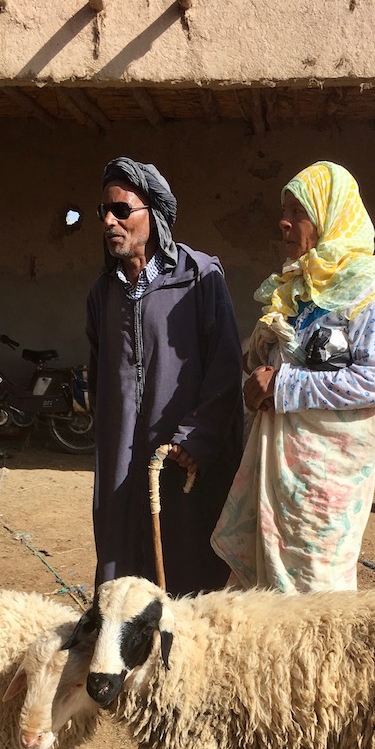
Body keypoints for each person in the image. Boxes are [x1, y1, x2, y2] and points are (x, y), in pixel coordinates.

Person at [211, 160, 375, 594]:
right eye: (285, 210)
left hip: (323, 485)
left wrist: (282, 385)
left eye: (298, 212)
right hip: (277, 474)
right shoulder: (297, 286)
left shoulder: (368, 291)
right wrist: (256, 364)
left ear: (330, 215)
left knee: (317, 596)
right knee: (263, 594)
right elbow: (277, 358)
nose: (284, 222)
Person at [86, 157, 243, 597]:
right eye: (104, 212)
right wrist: (113, 435)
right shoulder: (103, 293)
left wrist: (197, 437)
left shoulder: (199, 277)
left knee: (186, 562)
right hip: (122, 455)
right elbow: (100, 377)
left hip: (184, 451)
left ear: (153, 215)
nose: (110, 221)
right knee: (122, 558)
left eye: (122, 210)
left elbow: (226, 367)